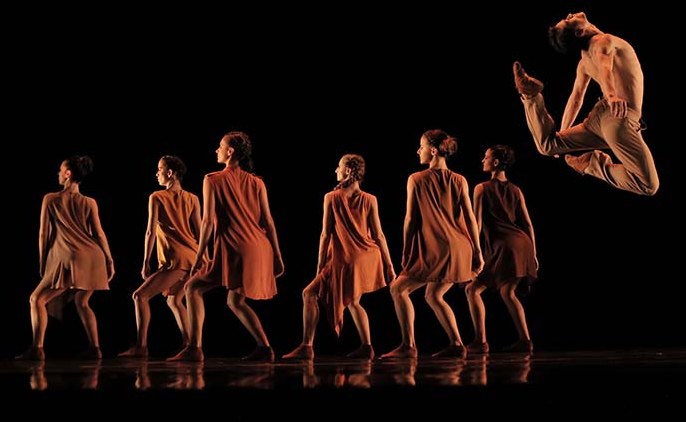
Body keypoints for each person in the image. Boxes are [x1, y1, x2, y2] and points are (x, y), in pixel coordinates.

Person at [513, 11, 660, 196]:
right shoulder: (603, 41)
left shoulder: (583, 62)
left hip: (599, 119)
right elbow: (605, 64)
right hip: (619, 116)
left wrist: (562, 139)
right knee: (648, 185)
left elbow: (575, 99)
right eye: (568, 20)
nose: (569, 14)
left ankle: (531, 97)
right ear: (580, 32)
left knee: (547, 146)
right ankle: (592, 165)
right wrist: (612, 95)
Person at [168, 131, 284, 362]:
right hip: (260, 247)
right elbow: (268, 222)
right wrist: (278, 256)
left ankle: (194, 348)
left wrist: (200, 254)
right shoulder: (257, 182)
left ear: (230, 152)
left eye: (220, 146)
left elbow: (208, 221)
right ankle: (265, 347)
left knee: (192, 289)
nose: (216, 150)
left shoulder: (212, 179)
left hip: (235, 245)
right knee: (235, 300)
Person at [381, 129, 484, 360]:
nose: (418, 151)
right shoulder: (460, 180)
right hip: (459, 248)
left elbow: (410, 219)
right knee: (434, 294)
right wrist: (477, 252)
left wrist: (406, 250)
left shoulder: (416, 179)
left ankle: (409, 346)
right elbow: (469, 218)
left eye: (421, 146)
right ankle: (457, 344)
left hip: (436, 248)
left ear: (434, 150)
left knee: (398, 289)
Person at [282, 154, 396, 361]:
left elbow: (325, 234)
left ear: (349, 171)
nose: (336, 170)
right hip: (367, 255)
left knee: (309, 294)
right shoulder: (370, 199)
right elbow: (379, 234)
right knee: (353, 301)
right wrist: (389, 265)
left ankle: (307, 346)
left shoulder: (331, 197)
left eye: (339, 167)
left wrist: (319, 265)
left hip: (345, 258)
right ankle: (367, 346)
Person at [16, 155, 114, 361]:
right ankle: (95, 348)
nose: (58, 173)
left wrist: (43, 262)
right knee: (82, 301)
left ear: (68, 174)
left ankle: (37, 348)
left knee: (36, 299)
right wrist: (109, 259)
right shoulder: (90, 202)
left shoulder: (51, 198)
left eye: (61, 170)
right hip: (93, 256)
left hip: (68, 257)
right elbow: (99, 233)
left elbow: (43, 234)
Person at [117, 155, 201, 359]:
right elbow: (200, 232)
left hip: (175, 259)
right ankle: (190, 347)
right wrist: (203, 259)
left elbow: (150, 232)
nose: (157, 173)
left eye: (160, 169)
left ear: (170, 173)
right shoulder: (193, 198)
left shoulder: (157, 197)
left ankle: (141, 346)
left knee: (139, 296)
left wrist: (146, 262)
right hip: (192, 257)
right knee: (173, 299)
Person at [464, 145, 538, 354]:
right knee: (508, 292)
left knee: (472, 289)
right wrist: (533, 253)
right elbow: (528, 224)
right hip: (522, 244)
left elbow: (476, 224)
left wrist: (473, 252)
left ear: (495, 163)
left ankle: (480, 341)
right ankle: (525, 340)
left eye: (486, 157)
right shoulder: (516, 190)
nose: (482, 160)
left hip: (504, 246)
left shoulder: (481, 188)